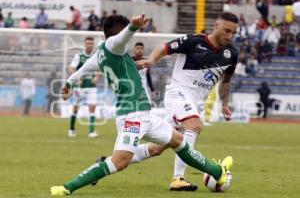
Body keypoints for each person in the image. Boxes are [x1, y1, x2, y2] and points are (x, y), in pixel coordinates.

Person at [50, 14, 233, 196]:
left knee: (179, 142)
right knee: (120, 162)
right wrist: (133, 26)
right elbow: (121, 38)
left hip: (144, 113)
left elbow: (80, 72)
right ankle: (68, 187)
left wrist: (68, 84)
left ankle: (218, 173)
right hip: (132, 114)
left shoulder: (99, 55)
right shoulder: (115, 45)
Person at [136, 11, 238, 191]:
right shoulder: (193, 41)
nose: (229, 36)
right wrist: (152, 59)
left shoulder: (231, 54)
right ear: (216, 25)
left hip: (194, 103)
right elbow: (164, 48)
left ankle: (111, 161)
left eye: (233, 33)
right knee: (194, 125)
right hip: (178, 93)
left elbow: (227, 80)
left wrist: (224, 104)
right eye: (227, 30)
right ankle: (178, 178)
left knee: (159, 148)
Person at [68, 36, 100, 138]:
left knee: (92, 107)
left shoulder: (96, 56)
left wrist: (97, 76)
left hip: (91, 86)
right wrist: (77, 77)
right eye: (88, 43)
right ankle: (72, 129)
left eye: (91, 43)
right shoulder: (79, 56)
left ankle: (91, 131)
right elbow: (71, 68)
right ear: (84, 44)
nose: (90, 45)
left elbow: (102, 67)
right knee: (76, 107)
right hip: (80, 87)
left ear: (93, 44)